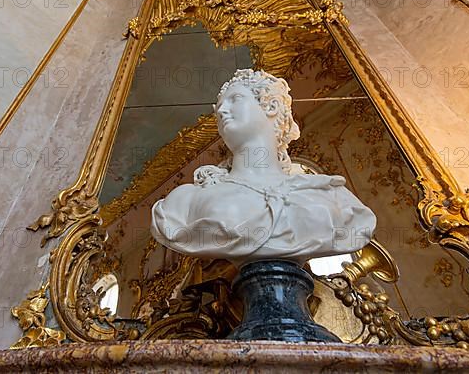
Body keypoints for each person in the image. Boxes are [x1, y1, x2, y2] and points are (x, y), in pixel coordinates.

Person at [151, 69, 376, 267]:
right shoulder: (184, 202)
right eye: (218, 107)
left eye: (235, 99)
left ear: (271, 106)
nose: (221, 112)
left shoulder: (330, 195)